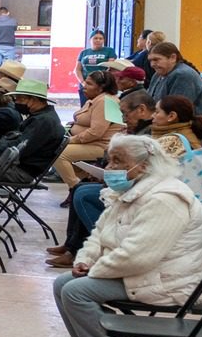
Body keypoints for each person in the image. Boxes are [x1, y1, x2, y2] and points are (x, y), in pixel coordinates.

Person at [54, 135, 202, 337]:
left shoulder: (164, 198)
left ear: (143, 165)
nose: (109, 168)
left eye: (118, 161)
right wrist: (85, 259)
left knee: (75, 291)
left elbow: (138, 256)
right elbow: (99, 234)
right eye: (109, 161)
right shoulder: (130, 189)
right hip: (148, 272)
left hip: (175, 281)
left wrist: (94, 270)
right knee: (62, 283)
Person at [52, 90, 160, 263]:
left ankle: (100, 247)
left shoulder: (147, 135)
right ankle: (73, 245)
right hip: (123, 178)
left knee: (84, 194)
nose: (123, 119)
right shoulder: (136, 130)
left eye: (125, 114)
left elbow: (138, 166)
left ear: (141, 110)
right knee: (80, 187)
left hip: (134, 186)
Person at [0, 78, 65, 182]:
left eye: (20, 99)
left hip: (17, 171)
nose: (16, 102)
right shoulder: (41, 117)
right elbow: (18, 141)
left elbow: (19, 148)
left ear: (33, 99)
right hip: (11, 165)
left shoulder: (44, 121)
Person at [54, 71, 124, 190]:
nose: (84, 86)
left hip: (101, 146)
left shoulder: (105, 102)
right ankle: (85, 183)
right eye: (85, 82)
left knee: (59, 153)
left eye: (89, 84)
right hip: (89, 143)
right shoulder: (95, 99)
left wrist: (71, 140)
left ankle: (75, 187)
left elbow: (96, 132)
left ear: (101, 87)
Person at [149, 41, 202, 120]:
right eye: (150, 60)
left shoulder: (183, 75)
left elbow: (177, 112)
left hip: (189, 129)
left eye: (156, 59)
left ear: (173, 58)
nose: (152, 64)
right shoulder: (157, 75)